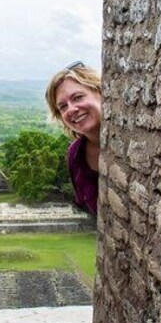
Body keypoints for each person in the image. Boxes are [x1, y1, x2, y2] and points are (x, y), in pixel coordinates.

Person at [45, 62, 102, 215]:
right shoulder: (75, 155)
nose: (71, 109)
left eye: (77, 97)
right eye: (63, 106)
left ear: (101, 92)